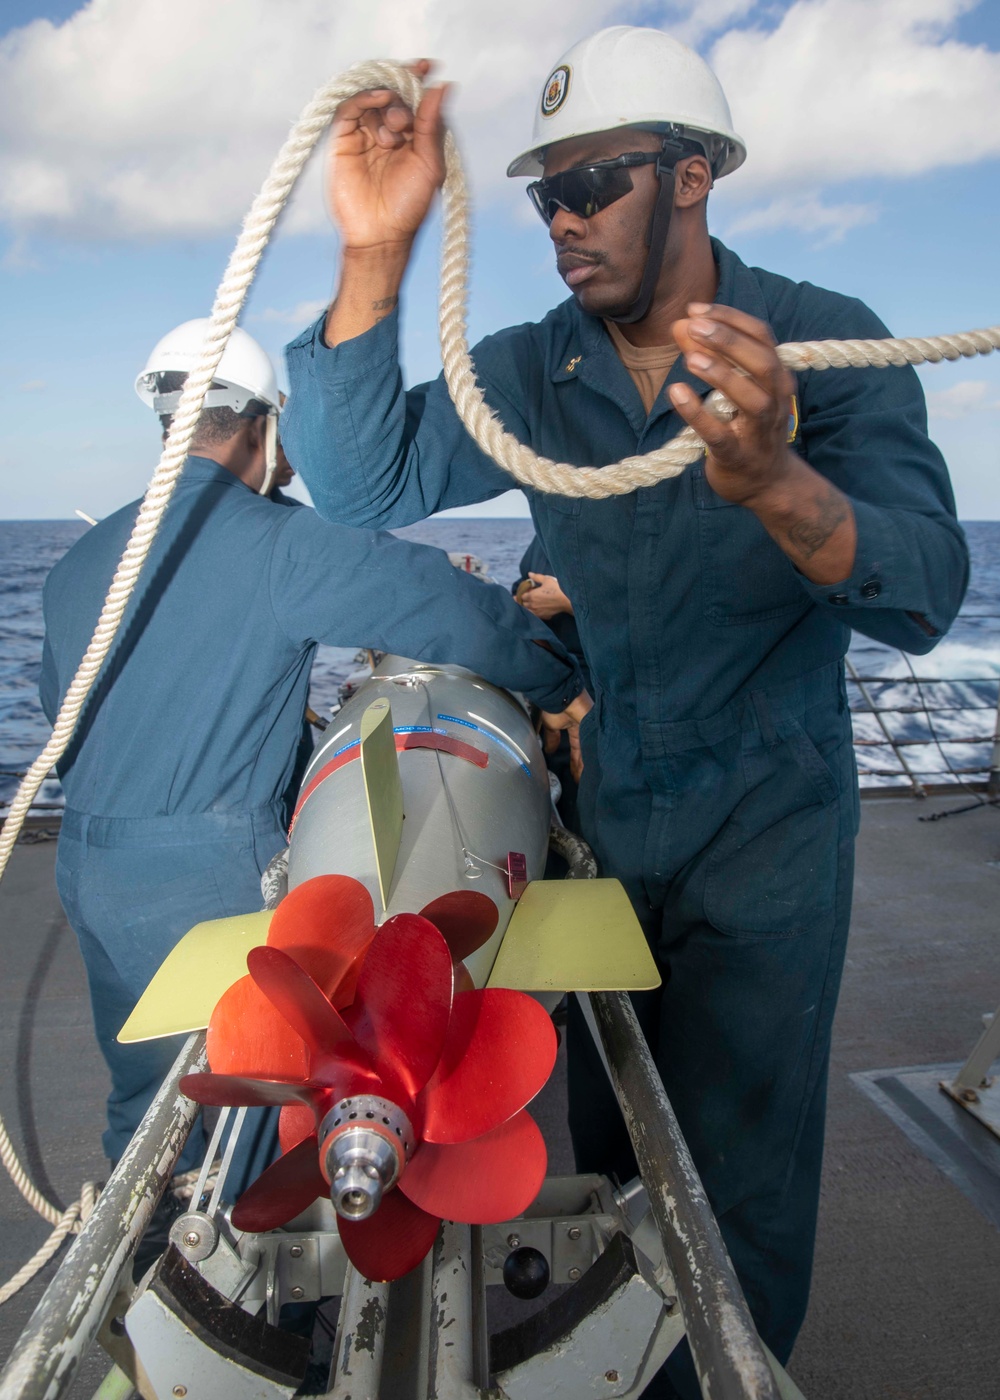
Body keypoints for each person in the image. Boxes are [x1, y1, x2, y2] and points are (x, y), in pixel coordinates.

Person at [278, 25, 969, 1394]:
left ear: (696, 173)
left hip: (770, 827)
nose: (563, 222)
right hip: (605, 817)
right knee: (599, 1154)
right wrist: (373, 252)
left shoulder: (827, 344)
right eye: (547, 194)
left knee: (744, 1177)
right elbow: (364, 480)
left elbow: (924, 591)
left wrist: (777, 480)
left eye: (595, 182)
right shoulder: (538, 369)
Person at [40, 319, 585, 1226]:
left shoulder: (81, 565)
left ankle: (139, 1287)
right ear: (263, 428)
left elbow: (70, 717)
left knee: (151, 1112)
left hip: (93, 873)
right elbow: (441, 605)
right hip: (209, 876)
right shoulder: (274, 542)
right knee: (262, 1122)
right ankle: (263, 1325)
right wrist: (559, 673)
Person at [514, 538, 587, 831]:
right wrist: (524, 598)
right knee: (558, 771)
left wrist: (566, 601)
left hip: (601, 680)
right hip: (552, 673)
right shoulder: (551, 518)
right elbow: (526, 576)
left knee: (589, 776)